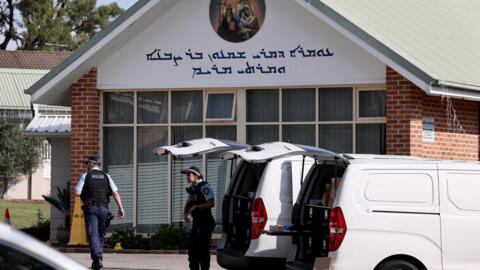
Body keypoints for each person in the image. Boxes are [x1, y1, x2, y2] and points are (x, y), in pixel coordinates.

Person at [75, 155, 124, 270]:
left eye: (87, 163)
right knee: (100, 234)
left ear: (92, 164)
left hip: (91, 208)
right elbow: (115, 193)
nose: (86, 166)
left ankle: (97, 258)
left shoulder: (85, 176)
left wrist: (86, 194)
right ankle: (99, 258)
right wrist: (120, 208)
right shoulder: (107, 176)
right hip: (104, 209)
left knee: (93, 234)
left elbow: (77, 192)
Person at [182, 166, 215, 270]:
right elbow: (187, 203)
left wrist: (197, 207)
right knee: (192, 251)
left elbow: (211, 203)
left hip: (206, 221)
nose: (187, 177)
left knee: (203, 251)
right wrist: (185, 214)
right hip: (196, 221)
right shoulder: (192, 188)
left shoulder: (204, 187)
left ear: (195, 175)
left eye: (189, 175)